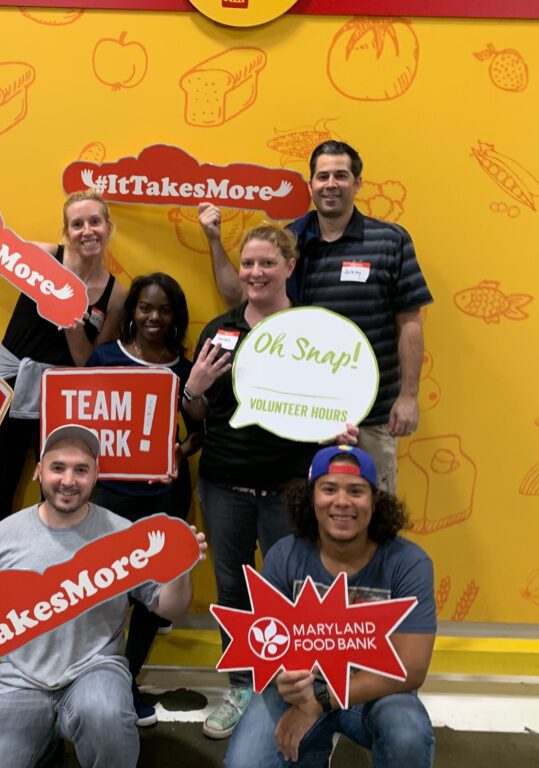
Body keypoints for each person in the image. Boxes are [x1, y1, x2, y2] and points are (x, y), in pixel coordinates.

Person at [0, 424, 206, 768]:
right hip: (19, 678)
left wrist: (179, 570)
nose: (68, 480)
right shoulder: (0, 538)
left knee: (107, 720)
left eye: (81, 469)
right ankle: (44, 743)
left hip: (95, 670)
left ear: (96, 475)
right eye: (58, 467)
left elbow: (170, 609)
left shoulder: (125, 536)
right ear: (40, 471)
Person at [200, 140, 433, 492]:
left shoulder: (390, 241)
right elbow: (241, 294)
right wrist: (214, 241)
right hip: (300, 423)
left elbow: (409, 322)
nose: (331, 184)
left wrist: (408, 397)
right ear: (310, 185)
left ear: (358, 183)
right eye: (322, 176)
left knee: (371, 519)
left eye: (341, 175)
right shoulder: (292, 238)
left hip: (368, 418)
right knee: (310, 525)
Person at [181, 223, 320, 740]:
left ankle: (296, 693)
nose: (256, 273)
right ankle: (241, 685)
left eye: (267, 263)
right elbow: (197, 415)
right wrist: (191, 390)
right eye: (248, 264)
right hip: (225, 485)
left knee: (292, 593)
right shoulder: (220, 331)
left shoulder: (313, 332)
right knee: (233, 591)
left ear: (289, 266)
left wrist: (340, 429)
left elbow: (332, 403)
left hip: (289, 487)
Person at [0, 191, 126, 533]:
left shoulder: (116, 293)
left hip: (63, 395)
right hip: (11, 383)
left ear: (108, 227)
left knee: (64, 488)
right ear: (66, 231)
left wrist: (72, 327)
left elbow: (89, 363)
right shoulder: (45, 257)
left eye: (94, 221)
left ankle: (55, 572)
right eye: (77, 224)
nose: (87, 230)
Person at [225, 444, 436, 768]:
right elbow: (264, 645)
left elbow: (411, 667)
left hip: (373, 691)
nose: (342, 501)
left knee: (406, 733)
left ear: (374, 500)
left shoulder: (407, 563)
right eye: (329, 489)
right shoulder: (284, 556)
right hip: (301, 690)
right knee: (245, 763)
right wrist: (282, 679)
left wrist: (320, 702)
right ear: (311, 498)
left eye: (356, 490)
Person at [86, 272, 203, 726]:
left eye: (164, 310)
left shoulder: (184, 367)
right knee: (109, 588)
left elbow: (198, 435)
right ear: (132, 311)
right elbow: (82, 418)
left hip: (165, 493)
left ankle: (127, 678)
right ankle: (104, 676)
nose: (154, 317)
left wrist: (179, 450)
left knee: (155, 591)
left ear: (176, 317)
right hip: (109, 494)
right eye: (145, 308)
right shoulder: (104, 357)